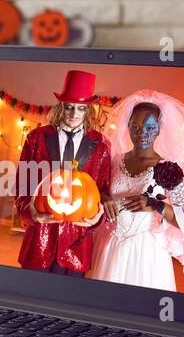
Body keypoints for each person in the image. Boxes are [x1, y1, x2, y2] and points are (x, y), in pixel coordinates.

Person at [89, 91, 184, 290]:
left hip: (146, 253)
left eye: (149, 127)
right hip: (110, 246)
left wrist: (155, 204)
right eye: (135, 126)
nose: (141, 133)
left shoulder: (168, 169)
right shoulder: (114, 160)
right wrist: (103, 197)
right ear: (127, 126)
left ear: (159, 130)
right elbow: (95, 191)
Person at [15, 70, 113, 276]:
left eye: (80, 108)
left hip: (76, 244)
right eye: (69, 107)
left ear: (88, 110)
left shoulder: (101, 145)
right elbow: (22, 184)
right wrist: (29, 212)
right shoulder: (36, 138)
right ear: (61, 107)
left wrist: (97, 218)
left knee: (64, 302)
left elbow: (103, 191)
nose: (74, 114)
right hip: (39, 239)